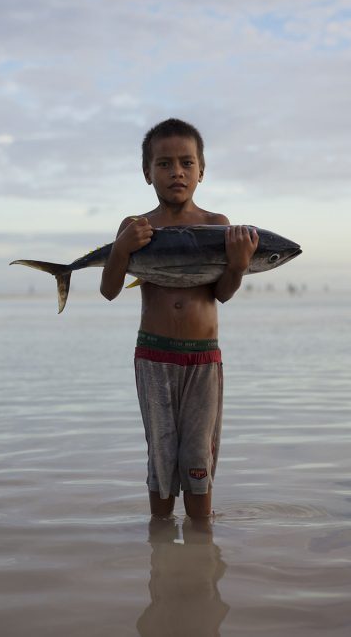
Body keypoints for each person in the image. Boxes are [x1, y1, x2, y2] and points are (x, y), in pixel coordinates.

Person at [100, 118, 258, 518]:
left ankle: (201, 551)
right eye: (165, 163)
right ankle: (161, 539)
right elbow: (109, 289)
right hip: (153, 357)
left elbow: (220, 294)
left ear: (201, 170)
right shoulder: (135, 227)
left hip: (203, 360)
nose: (177, 172)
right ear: (147, 172)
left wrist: (237, 265)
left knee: (198, 456)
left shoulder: (218, 226)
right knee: (161, 455)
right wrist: (120, 250)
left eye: (187, 163)